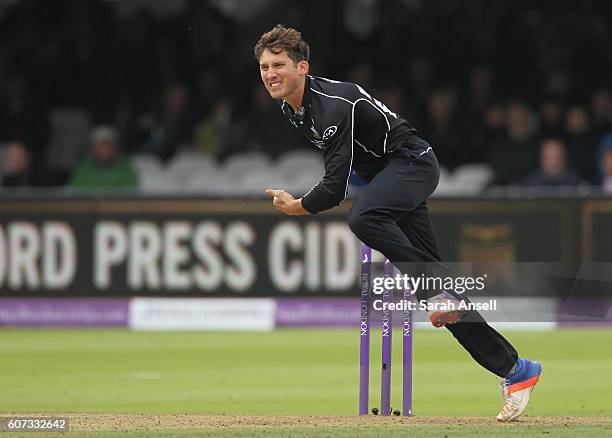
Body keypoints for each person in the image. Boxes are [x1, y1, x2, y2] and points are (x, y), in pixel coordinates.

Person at [255, 25, 541, 422]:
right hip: (389, 179)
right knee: (446, 299)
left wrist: (298, 206)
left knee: (363, 216)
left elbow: (335, 188)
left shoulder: (335, 103)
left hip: (412, 164)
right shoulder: (293, 109)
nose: (270, 73)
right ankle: (516, 371)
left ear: (302, 67)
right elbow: (350, 162)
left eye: (279, 65)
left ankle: (435, 294)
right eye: (265, 66)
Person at [68, 125, 138, 190]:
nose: (104, 151)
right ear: (93, 149)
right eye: (99, 147)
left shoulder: (124, 167)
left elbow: (132, 191)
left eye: (107, 147)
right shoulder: (83, 168)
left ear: (114, 149)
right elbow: (72, 193)